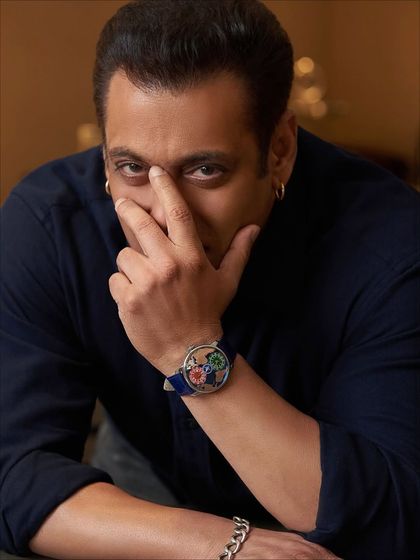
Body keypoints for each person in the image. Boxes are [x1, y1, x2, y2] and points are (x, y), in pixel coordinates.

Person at [1, 0, 419, 558]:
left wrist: (187, 348)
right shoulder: (48, 221)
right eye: (132, 168)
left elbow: (390, 521)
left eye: (205, 170)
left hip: (312, 504)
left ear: (279, 149)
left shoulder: (393, 245)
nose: (165, 212)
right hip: (144, 490)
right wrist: (225, 545)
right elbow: (13, 474)